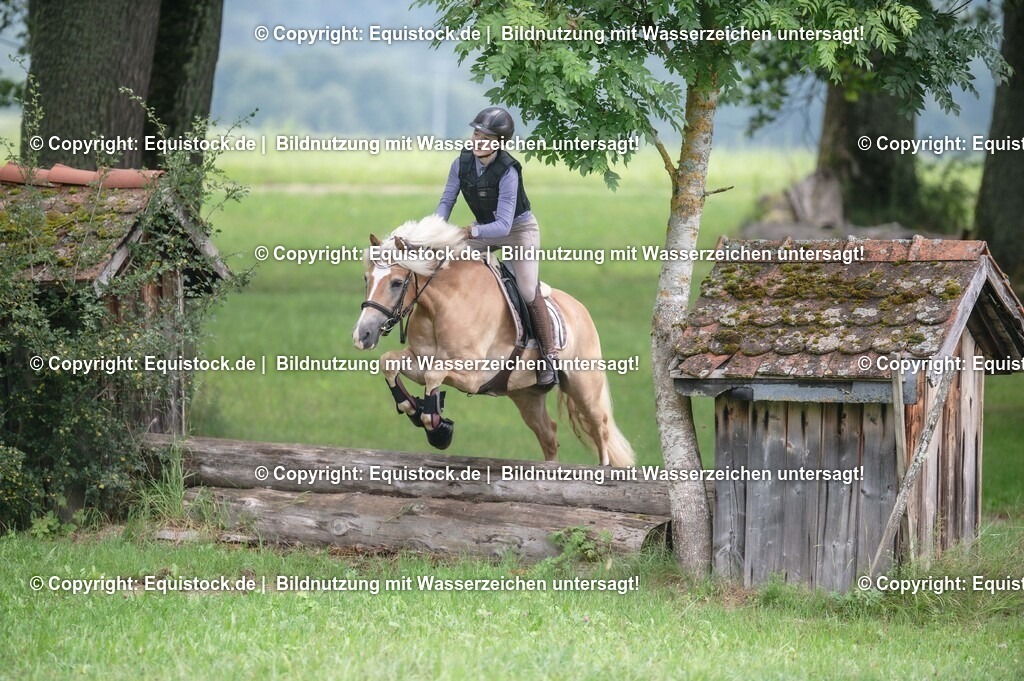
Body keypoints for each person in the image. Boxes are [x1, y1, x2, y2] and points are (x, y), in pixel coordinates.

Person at [435, 106, 558, 387]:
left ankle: (549, 357)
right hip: (482, 230)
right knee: (448, 266)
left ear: (499, 144)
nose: (479, 140)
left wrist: (468, 231)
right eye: (477, 133)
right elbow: (446, 202)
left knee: (527, 289)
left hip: (518, 231)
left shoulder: (508, 171)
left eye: (486, 137)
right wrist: (436, 230)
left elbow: (503, 225)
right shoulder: (461, 164)